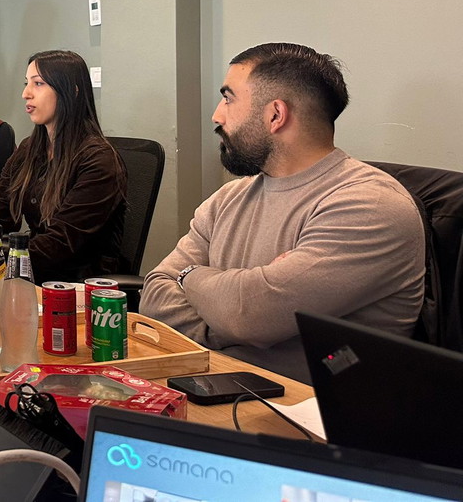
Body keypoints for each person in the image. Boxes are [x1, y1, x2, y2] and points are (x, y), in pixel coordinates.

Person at [141, 42, 425, 380]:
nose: (217, 115)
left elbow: (249, 315)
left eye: (229, 98)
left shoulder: (369, 206)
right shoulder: (228, 198)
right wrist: (225, 328)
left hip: (306, 407)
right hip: (216, 383)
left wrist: (188, 276)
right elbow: (154, 293)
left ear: (276, 115)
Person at [0, 50, 127, 282]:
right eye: (27, 83)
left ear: (72, 92)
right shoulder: (30, 149)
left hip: (77, 286)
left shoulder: (99, 160)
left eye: (38, 83)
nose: (25, 93)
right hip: (33, 274)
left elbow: (61, 243)